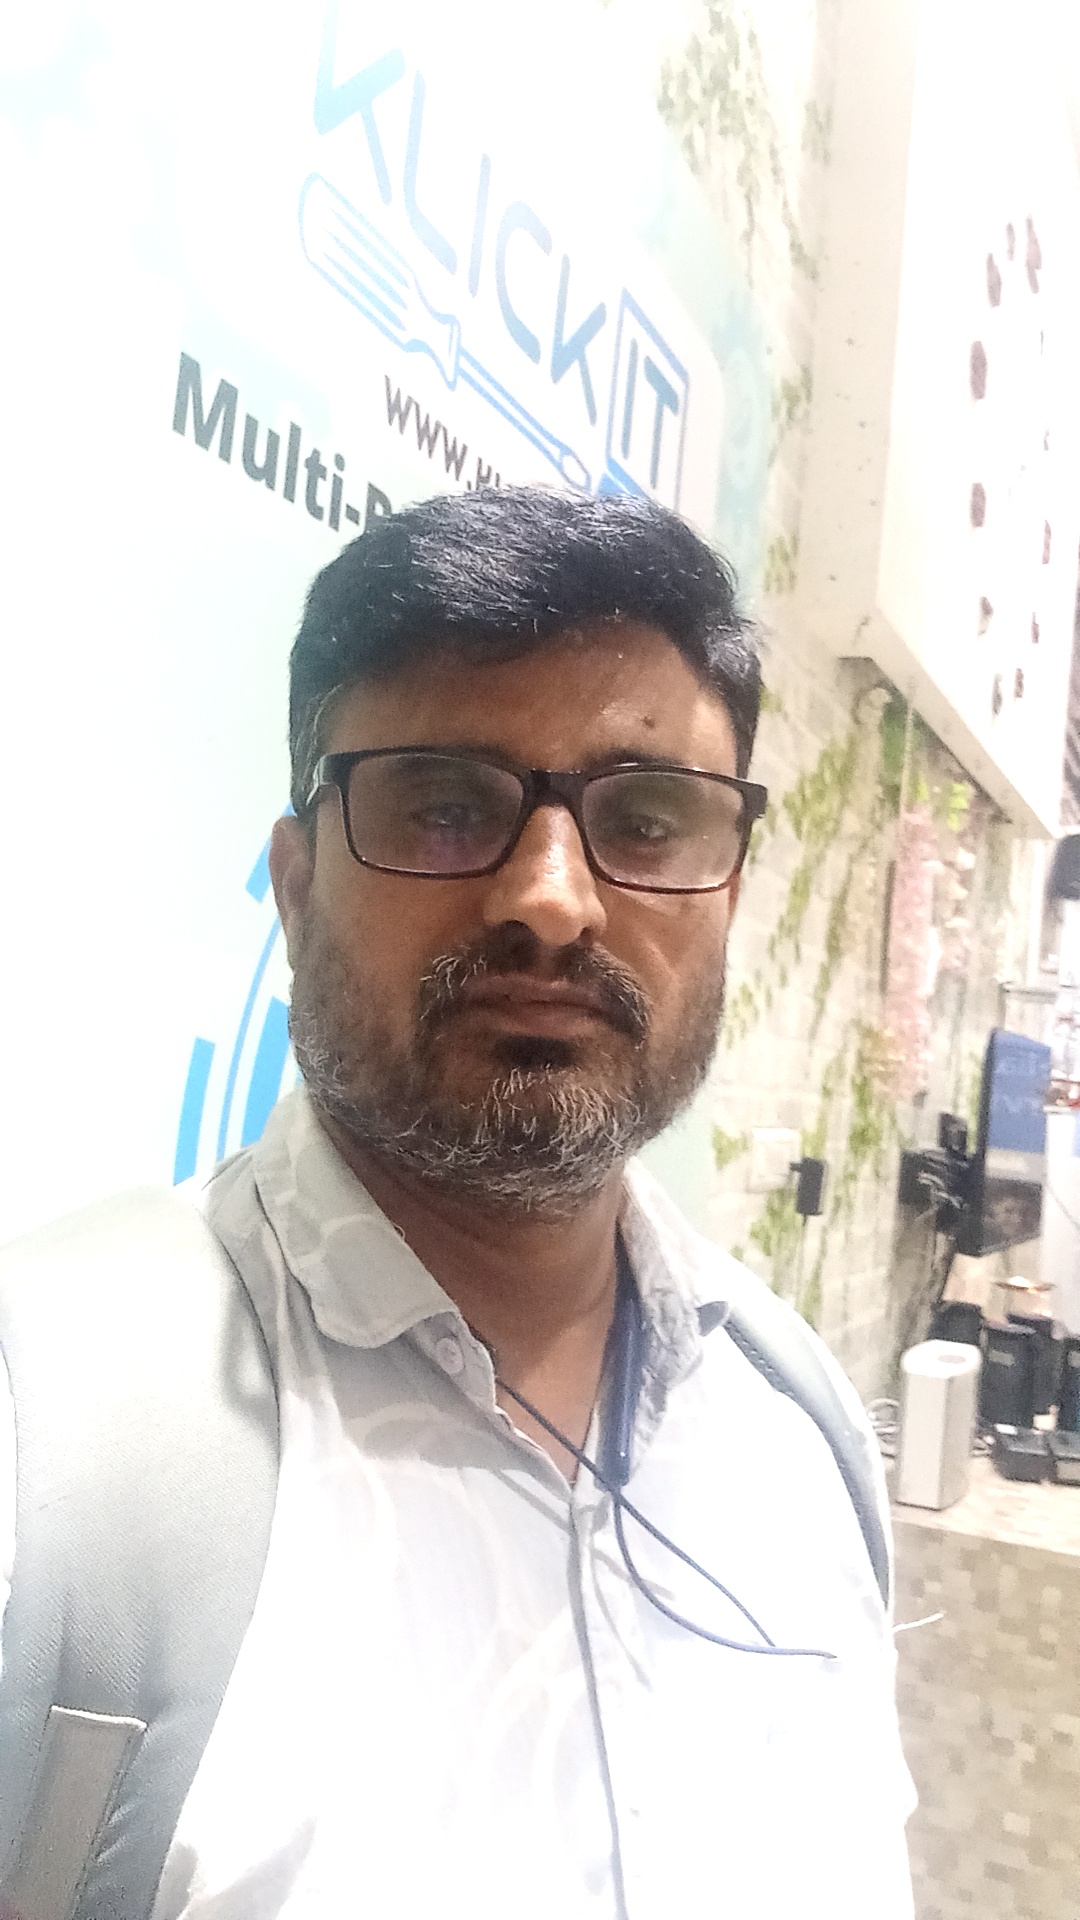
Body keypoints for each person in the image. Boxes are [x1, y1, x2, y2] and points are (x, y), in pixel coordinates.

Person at [0, 488, 914, 1918]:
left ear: (729, 894)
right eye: (442, 805)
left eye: (647, 819)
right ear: (295, 886)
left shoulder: (802, 1434)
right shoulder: (47, 1431)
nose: (552, 898)